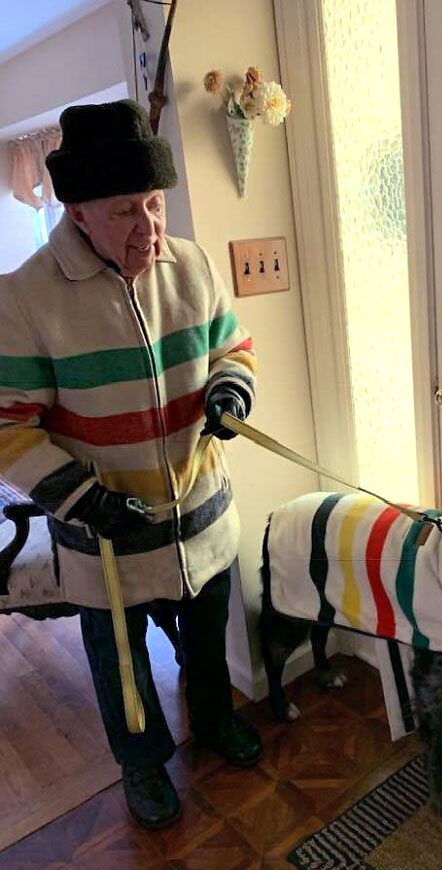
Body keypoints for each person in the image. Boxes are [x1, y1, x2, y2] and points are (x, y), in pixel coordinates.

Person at [0, 99, 260, 830]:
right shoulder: (23, 297)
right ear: (78, 212)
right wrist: (81, 499)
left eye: (155, 205)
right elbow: (7, 425)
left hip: (202, 518)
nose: (149, 230)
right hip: (105, 538)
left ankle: (212, 722)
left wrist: (229, 395)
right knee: (122, 666)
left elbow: (233, 349)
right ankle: (141, 762)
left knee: (208, 642)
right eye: (125, 212)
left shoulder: (194, 263)